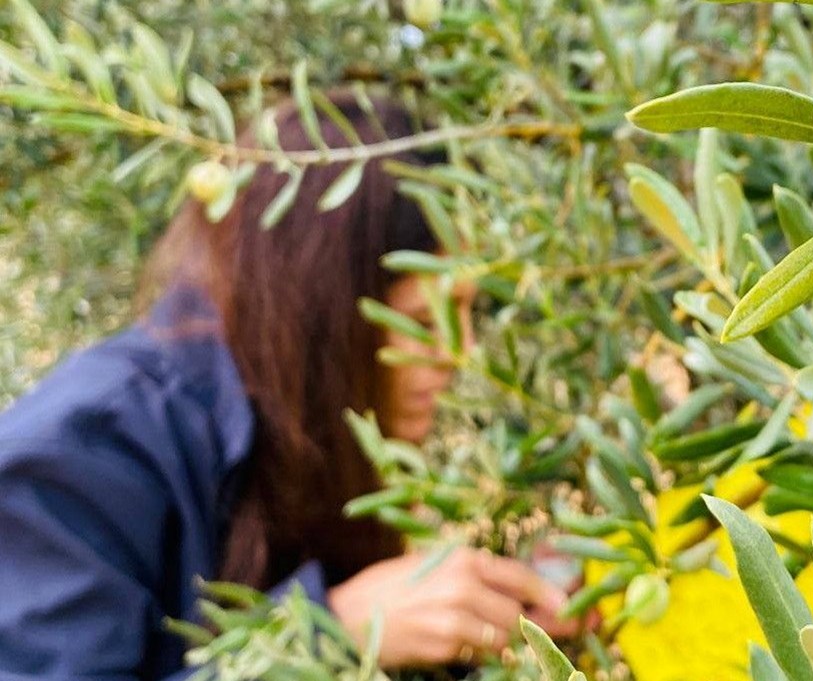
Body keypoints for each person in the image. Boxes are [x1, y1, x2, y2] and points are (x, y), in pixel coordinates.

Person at [0, 94, 575, 680]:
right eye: (425, 322)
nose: (463, 355)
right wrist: (329, 634)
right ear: (320, 316)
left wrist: (494, 620)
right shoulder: (78, 458)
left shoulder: (294, 435)